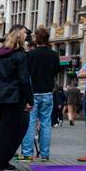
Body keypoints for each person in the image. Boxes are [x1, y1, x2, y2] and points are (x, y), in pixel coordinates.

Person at [0, 26, 33, 171]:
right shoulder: (21, 56)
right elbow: (24, 80)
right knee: (10, 131)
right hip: (12, 97)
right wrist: (29, 99)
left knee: (2, 127)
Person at [21, 28, 60, 162]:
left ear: (36, 39)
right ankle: (45, 154)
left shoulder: (30, 55)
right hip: (47, 92)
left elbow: (25, 74)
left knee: (30, 123)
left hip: (33, 92)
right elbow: (56, 72)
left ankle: (27, 153)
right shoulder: (54, 55)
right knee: (45, 123)